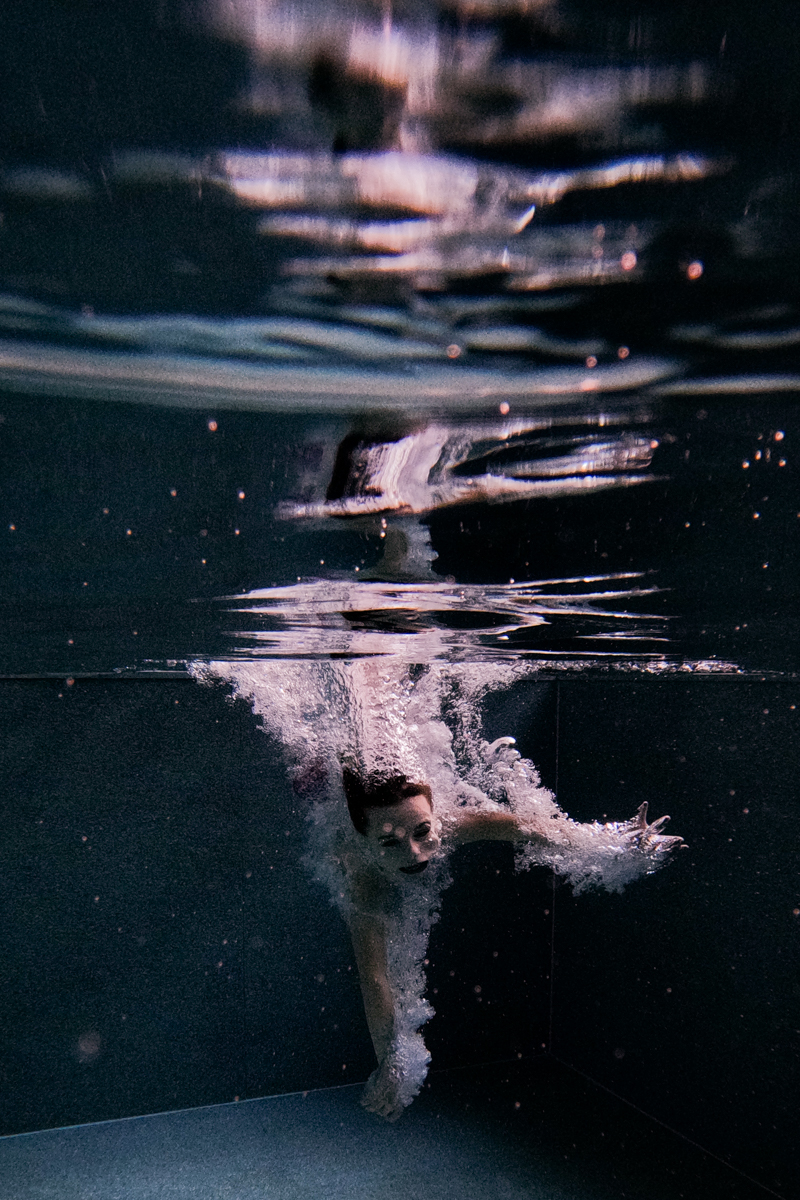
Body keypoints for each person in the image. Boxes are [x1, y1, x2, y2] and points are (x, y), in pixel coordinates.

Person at [339, 752, 682, 1122]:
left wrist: (619, 844)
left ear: (435, 817)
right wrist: (391, 1065)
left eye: (423, 831)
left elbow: (533, 828)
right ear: (364, 839)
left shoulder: (453, 825)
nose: (415, 853)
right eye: (389, 842)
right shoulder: (364, 878)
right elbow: (375, 975)